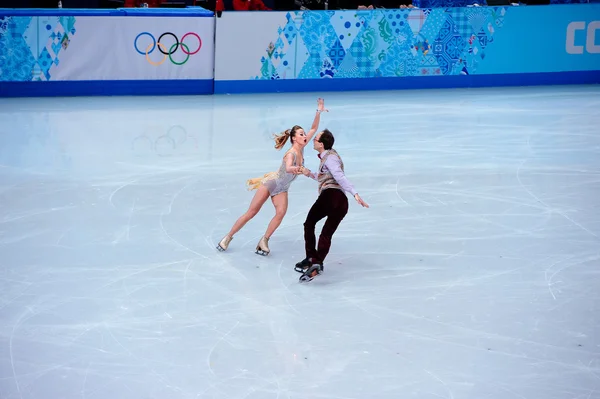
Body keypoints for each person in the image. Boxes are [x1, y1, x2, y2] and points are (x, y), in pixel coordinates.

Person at [216, 98, 328, 256]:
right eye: (301, 134)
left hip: (282, 188)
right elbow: (288, 167)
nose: (305, 136)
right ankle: (227, 237)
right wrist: (299, 169)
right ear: (294, 138)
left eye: (304, 134)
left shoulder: (302, 145)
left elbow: (314, 128)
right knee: (252, 212)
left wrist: (319, 110)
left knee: (281, 212)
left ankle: (264, 241)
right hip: (272, 183)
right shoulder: (291, 153)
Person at [294, 129, 369, 282]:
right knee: (326, 234)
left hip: (331, 196)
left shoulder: (330, 159)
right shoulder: (329, 156)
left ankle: (310, 257)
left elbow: (339, 177)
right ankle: (317, 263)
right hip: (341, 203)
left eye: (315, 139)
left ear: (321, 144)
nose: (312, 140)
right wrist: (308, 173)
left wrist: (355, 193)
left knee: (309, 223)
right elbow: (325, 177)